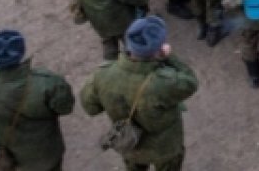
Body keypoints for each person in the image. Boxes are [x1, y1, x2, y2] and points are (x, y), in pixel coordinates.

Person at [80, 16, 199, 171]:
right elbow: (190, 82)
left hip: (130, 144)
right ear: (158, 49)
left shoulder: (103, 74)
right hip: (165, 148)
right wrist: (170, 57)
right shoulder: (164, 82)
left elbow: (91, 108)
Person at [0, 29, 74, 171]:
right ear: (21, 52)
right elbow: (66, 108)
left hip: (7, 163)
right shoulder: (48, 83)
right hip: (47, 158)